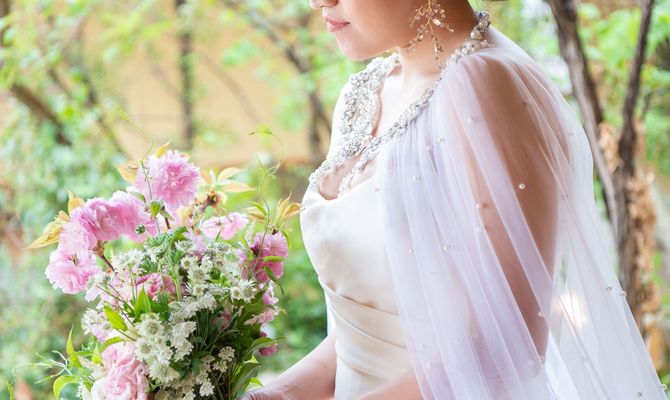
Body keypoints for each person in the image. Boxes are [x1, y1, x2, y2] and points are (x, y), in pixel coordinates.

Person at [243, 0, 667, 399]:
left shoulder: (485, 84)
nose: (318, 2)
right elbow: (366, 334)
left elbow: (509, 345)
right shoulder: (364, 92)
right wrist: (278, 393)